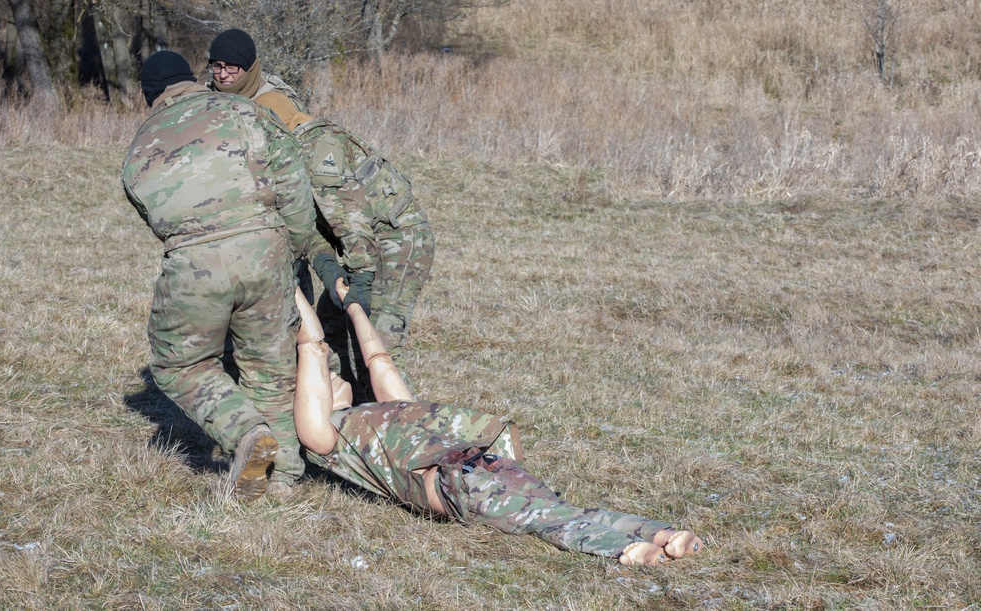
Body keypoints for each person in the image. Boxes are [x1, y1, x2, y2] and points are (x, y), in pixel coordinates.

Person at [290, 285, 705, 566]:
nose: (336, 374)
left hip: (484, 459)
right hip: (455, 485)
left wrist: (353, 303)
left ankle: (661, 533)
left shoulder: (383, 412)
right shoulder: (327, 435)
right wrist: (286, 282)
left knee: (562, 509)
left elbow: (379, 361)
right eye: (327, 378)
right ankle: (628, 548)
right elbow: (312, 345)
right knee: (542, 518)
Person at [121, 50, 317, 500]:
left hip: (194, 264)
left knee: (181, 364)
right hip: (265, 249)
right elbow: (291, 179)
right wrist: (294, 247)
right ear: (189, 79)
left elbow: (153, 217)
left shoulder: (139, 145)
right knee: (270, 364)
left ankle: (245, 430)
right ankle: (283, 475)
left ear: (150, 95)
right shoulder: (244, 110)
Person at [206, 28, 435, 404]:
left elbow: (347, 216)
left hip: (396, 237)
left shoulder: (311, 145)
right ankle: (350, 423)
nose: (223, 73)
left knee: (375, 341)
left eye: (233, 67)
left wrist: (359, 275)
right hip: (348, 234)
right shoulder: (270, 151)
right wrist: (328, 266)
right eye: (217, 66)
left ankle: (401, 432)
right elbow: (309, 223)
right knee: (330, 335)